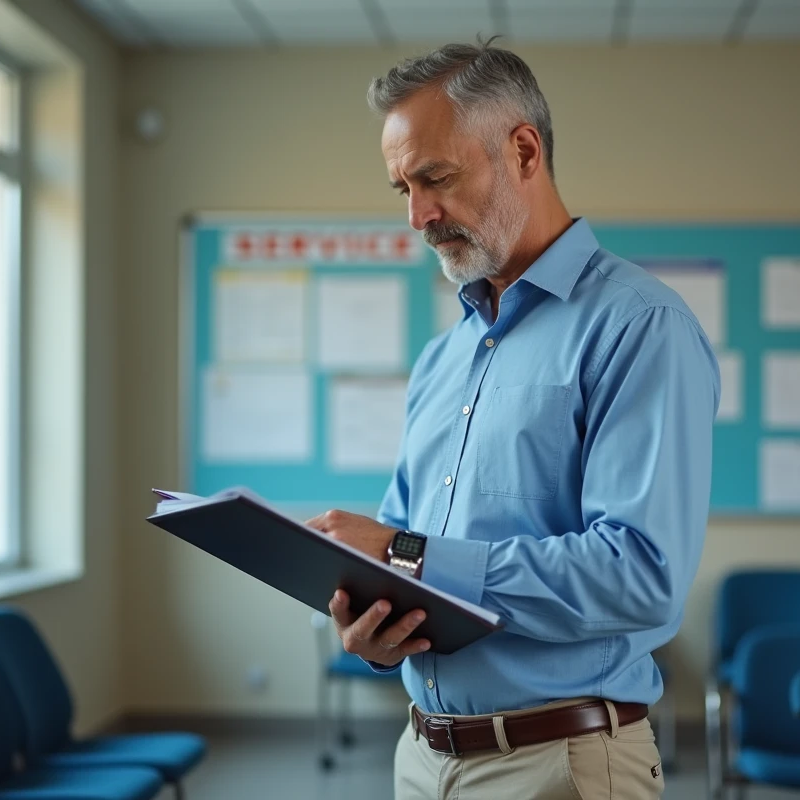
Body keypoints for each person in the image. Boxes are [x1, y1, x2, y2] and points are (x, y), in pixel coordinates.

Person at [305, 38, 718, 800]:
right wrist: (372, 633)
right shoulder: (442, 359)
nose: (418, 215)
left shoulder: (639, 326)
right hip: (420, 758)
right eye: (402, 187)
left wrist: (405, 553)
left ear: (523, 151)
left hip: (559, 763)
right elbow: (404, 554)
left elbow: (642, 577)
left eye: (435, 177)